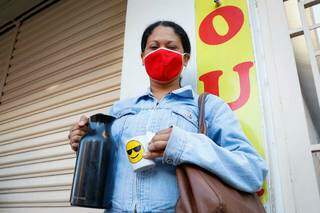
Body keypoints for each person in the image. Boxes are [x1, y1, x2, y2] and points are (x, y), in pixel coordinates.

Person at [68, 20, 268, 212]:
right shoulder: (119, 109)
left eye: (171, 47)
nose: (162, 53)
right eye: (153, 47)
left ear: (185, 58)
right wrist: (85, 142)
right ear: (142, 56)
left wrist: (185, 145)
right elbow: (105, 168)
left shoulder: (209, 107)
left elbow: (252, 171)